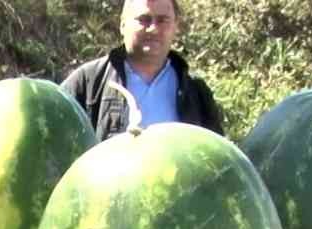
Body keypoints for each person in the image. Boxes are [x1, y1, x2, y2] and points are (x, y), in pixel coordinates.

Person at [60, 0, 225, 140]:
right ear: (123, 25)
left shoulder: (195, 91)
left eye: (162, 20)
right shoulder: (87, 83)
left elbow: (216, 160)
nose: (153, 29)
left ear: (176, 26)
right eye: (144, 19)